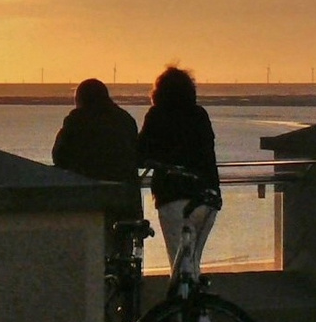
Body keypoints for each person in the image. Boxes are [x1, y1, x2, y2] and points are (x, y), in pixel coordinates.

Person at [137, 66, 222, 277]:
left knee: (179, 262)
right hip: (206, 196)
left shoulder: (157, 115)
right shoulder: (200, 115)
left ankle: (181, 306)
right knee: (193, 260)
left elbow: (140, 154)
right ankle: (198, 305)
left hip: (173, 196)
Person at [51, 78, 142, 238]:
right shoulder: (126, 120)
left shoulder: (76, 120)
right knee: (125, 245)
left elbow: (59, 156)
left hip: (91, 199)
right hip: (127, 198)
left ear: (80, 100)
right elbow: (137, 153)